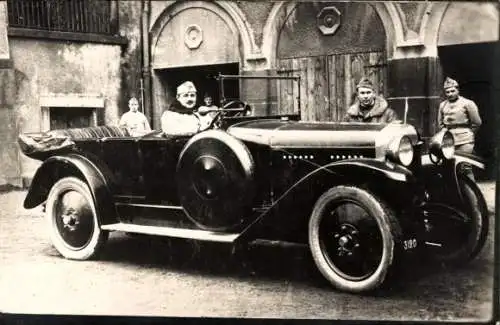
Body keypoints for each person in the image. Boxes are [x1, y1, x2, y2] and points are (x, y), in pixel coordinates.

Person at [438, 77, 482, 179]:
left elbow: (477, 122)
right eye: (447, 92)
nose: (450, 94)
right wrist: (445, 135)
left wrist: (469, 134)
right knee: (449, 168)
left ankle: (471, 194)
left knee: (465, 168)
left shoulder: (468, 103)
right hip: (448, 142)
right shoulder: (442, 105)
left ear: (458, 90)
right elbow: (440, 124)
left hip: (465, 140)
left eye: (453, 91)